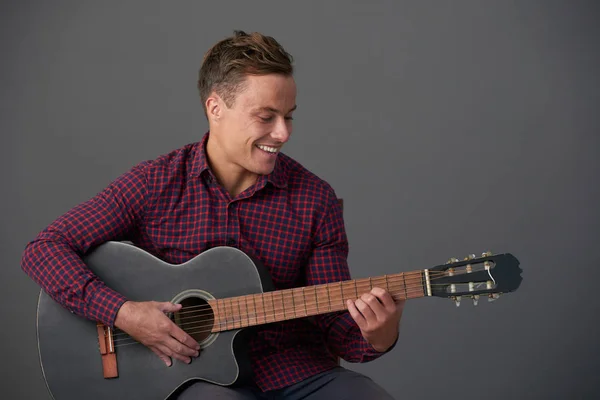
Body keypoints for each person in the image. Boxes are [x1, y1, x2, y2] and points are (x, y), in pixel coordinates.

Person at [21, 30, 404, 399]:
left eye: (289, 116)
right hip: (194, 376)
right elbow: (44, 249)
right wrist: (123, 313)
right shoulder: (155, 183)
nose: (283, 133)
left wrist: (379, 334)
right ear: (216, 108)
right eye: (266, 116)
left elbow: (337, 326)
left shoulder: (315, 199)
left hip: (297, 372)